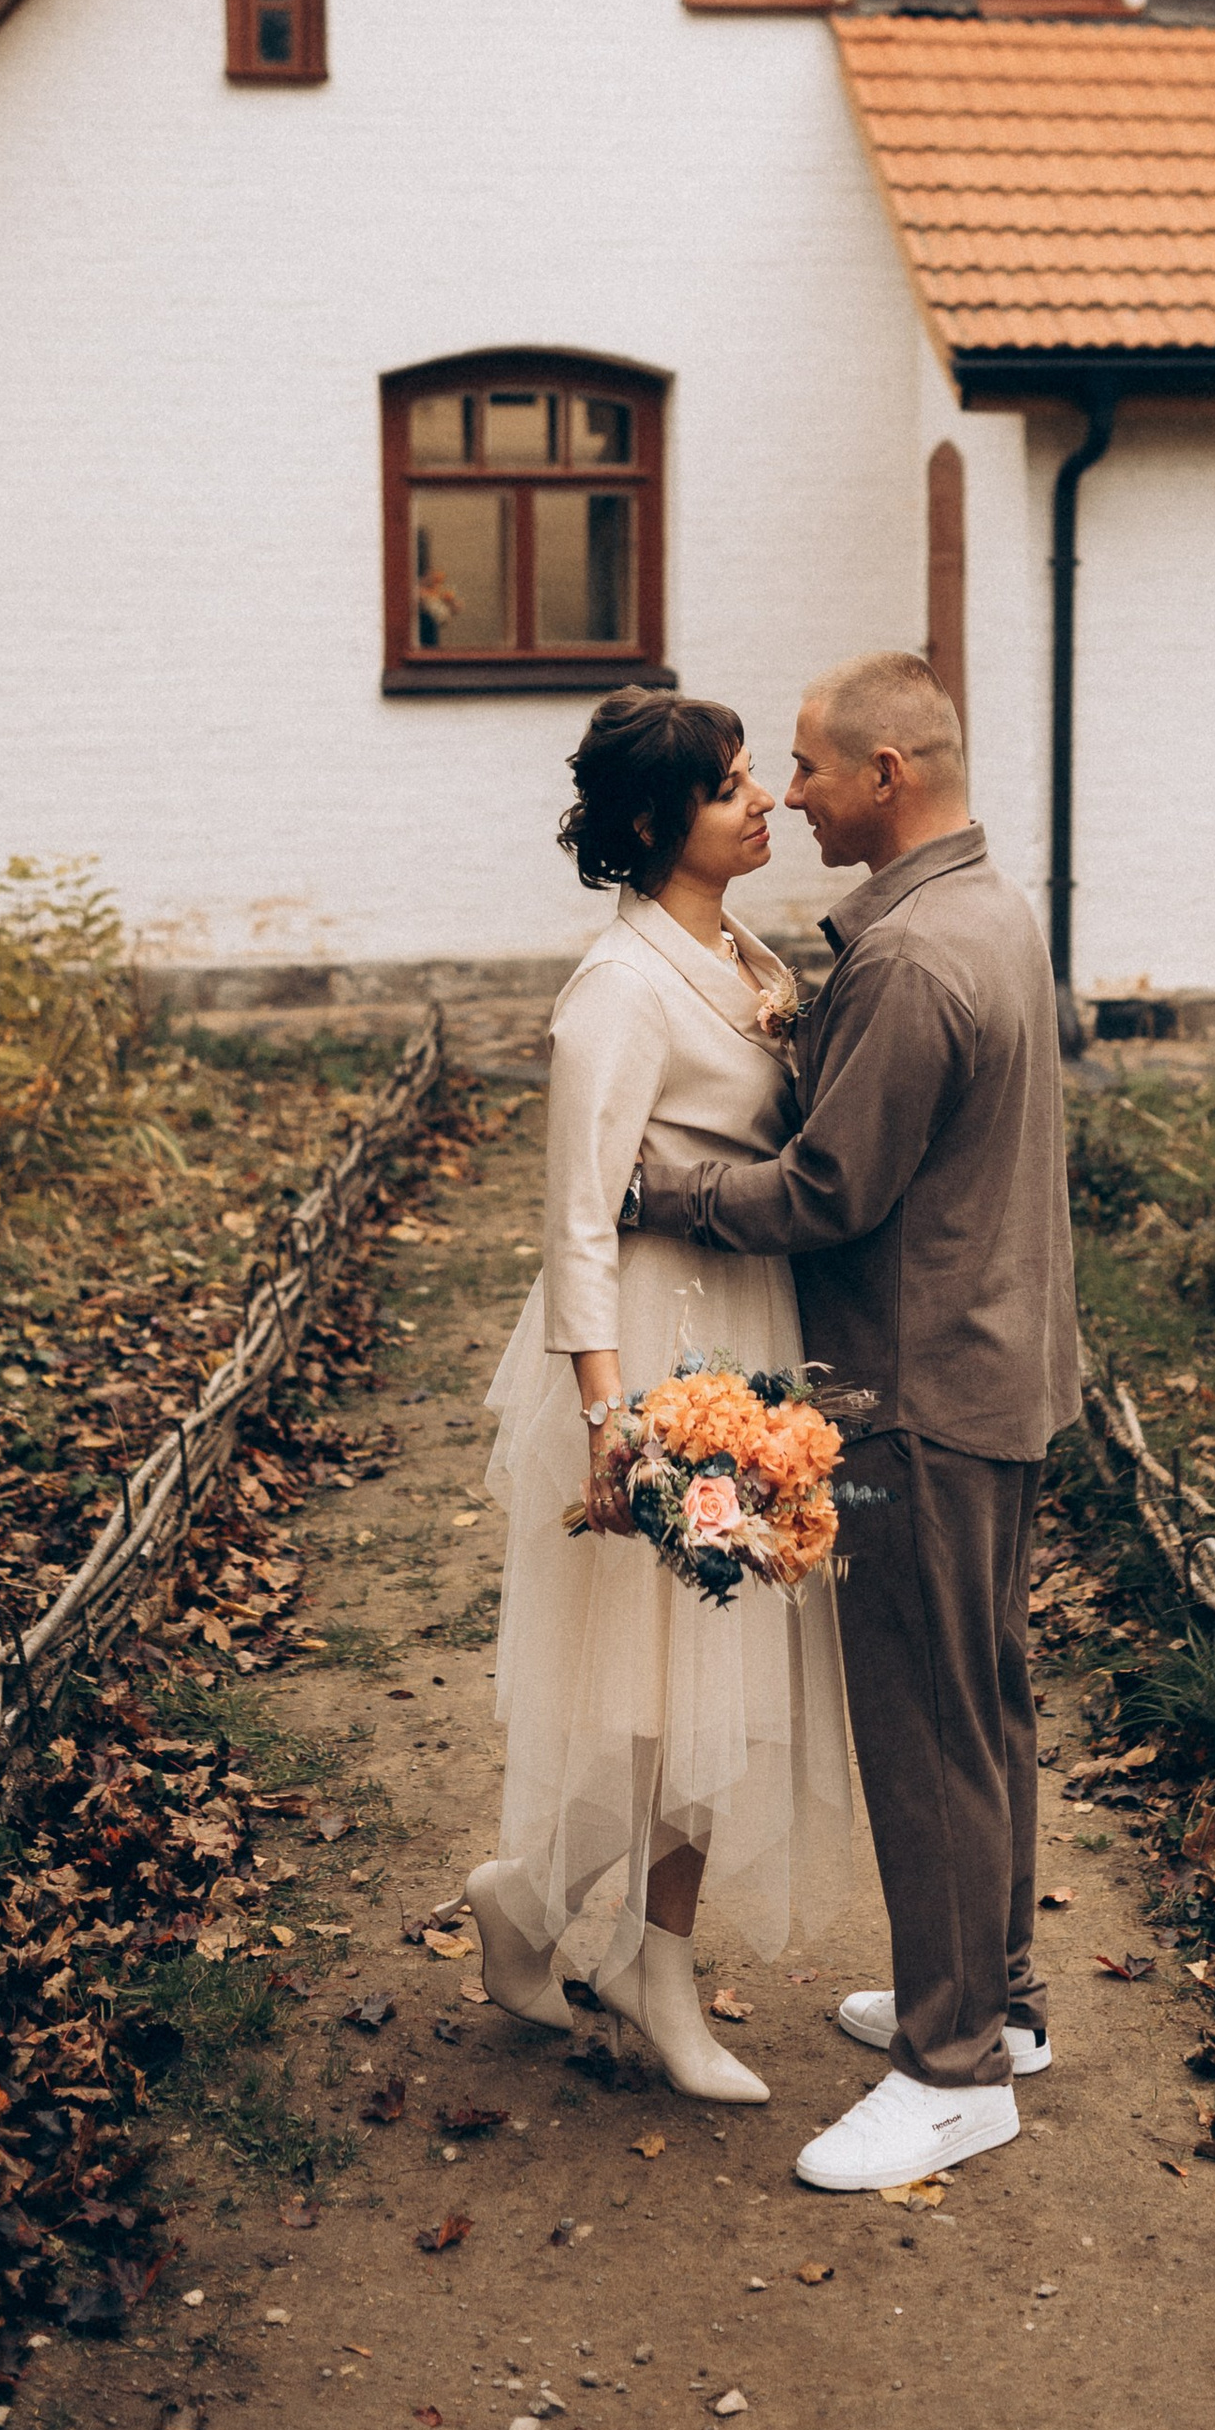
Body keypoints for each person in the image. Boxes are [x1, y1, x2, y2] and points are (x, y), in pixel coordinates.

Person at [630, 649, 1080, 2193]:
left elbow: (829, 1193)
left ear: (889, 775)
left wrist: (664, 1191)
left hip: (915, 1391)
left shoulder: (906, 959)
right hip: (1001, 1364)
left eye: (813, 768)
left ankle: (953, 2072)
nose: (793, 796)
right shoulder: (989, 909)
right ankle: (997, 2001)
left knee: (926, 1729)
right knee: (985, 1702)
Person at [466, 688, 853, 2103]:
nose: (763, 802)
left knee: (714, 1668)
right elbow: (576, 1218)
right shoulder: (618, 989)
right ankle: (613, 1945)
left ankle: (587, 1924)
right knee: (662, 1676)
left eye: (756, 777)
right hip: (654, 1345)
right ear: (651, 821)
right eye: (729, 786)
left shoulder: (744, 953)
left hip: (744, 1321)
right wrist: (608, 1417)